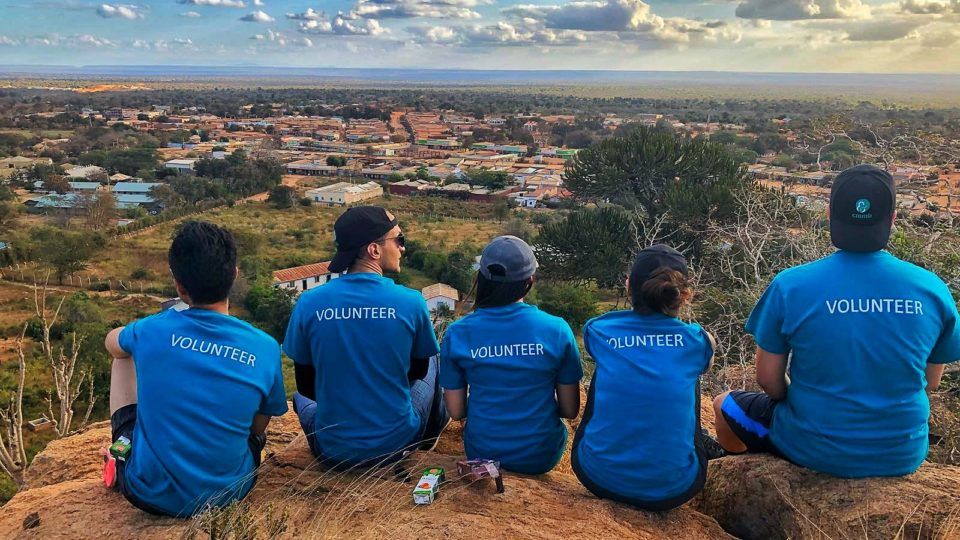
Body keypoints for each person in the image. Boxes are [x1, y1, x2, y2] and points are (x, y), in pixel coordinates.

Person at [714, 164, 960, 478]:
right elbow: (931, 383)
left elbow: (768, 380)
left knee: (724, 403)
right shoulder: (932, 289)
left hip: (812, 447)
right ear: (893, 218)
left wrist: (805, 406)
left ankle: (730, 471)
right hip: (901, 453)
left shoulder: (791, 285)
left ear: (830, 214)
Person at [104, 221, 288, 517]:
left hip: (149, 493)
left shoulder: (151, 330)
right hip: (231, 491)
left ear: (179, 285)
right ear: (234, 275)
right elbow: (257, 427)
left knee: (123, 356)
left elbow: (112, 344)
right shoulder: (264, 346)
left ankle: (121, 449)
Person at [284, 206, 448, 467]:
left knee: (298, 397)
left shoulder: (309, 303)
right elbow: (417, 372)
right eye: (399, 240)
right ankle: (428, 437)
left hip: (332, 449)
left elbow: (306, 385)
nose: (402, 248)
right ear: (374, 249)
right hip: (396, 443)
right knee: (435, 358)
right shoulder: (411, 302)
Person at [571, 244, 718, 511]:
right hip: (674, 488)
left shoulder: (598, 330)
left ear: (629, 286)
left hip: (598, 475)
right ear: (683, 295)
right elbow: (702, 365)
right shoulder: (700, 341)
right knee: (687, 371)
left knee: (610, 366)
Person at [439, 236, 583, 475]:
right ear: (529, 281)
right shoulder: (556, 330)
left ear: (482, 278)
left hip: (481, 451)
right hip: (542, 456)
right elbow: (569, 410)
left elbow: (456, 411)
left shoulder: (458, 333)